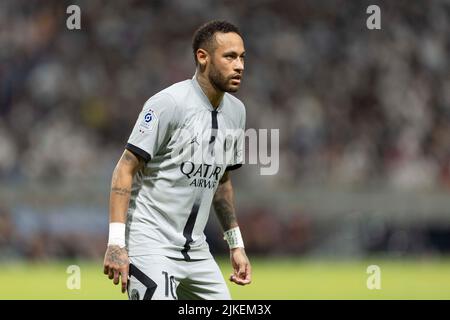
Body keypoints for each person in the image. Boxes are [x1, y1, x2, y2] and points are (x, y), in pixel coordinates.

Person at [103, 20, 251, 300]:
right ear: (203, 57)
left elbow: (222, 182)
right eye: (230, 56)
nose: (240, 65)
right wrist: (116, 244)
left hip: (196, 251)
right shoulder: (168, 103)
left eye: (242, 57)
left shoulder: (237, 112)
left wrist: (236, 244)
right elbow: (125, 168)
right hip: (151, 244)